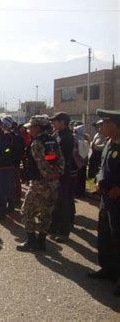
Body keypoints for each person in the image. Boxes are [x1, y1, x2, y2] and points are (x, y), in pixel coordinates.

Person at [16, 115, 64, 252]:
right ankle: (41, 242)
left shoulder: (37, 142)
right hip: (53, 183)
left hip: (40, 183)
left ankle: (31, 241)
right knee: (46, 213)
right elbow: (58, 160)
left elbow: (41, 163)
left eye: (31, 127)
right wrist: (57, 174)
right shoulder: (52, 140)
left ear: (37, 127)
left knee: (27, 211)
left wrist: (48, 177)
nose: (29, 130)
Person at [87, 109, 120, 296]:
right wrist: (99, 182)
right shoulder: (109, 143)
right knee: (105, 235)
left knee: (119, 237)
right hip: (106, 197)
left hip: (118, 198)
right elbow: (103, 167)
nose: (101, 127)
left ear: (114, 125)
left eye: (104, 124)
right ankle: (107, 269)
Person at [49, 112, 75, 243]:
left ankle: (64, 231)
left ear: (62, 122)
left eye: (55, 121)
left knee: (63, 202)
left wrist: (47, 157)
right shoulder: (56, 134)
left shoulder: (68, 137)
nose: (53, 123)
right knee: (55, 201)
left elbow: (58, 155)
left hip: (62, 173)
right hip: (55, 172)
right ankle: (53, 227)